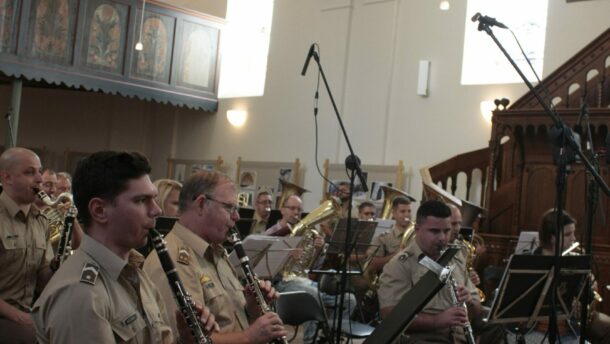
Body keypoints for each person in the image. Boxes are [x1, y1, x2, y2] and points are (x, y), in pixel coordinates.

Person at [32, 151, 217, 343]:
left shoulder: (135, 273)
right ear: (99, 210)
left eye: (153, 198)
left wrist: (185, 341)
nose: (156, 210)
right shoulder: (81, 295)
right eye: (140, 201)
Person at [144, 170, 287, 344]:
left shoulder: (217, 253)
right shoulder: (170, 260)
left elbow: (231, 324)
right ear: (202, 204)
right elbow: (188, 339)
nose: (236, 216)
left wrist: (252, 310)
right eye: (229, 208)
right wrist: (249, 337)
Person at [378, 200, 482, 343]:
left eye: (446, 231)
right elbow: (390, 316)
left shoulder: (455, 259)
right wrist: (436, 321)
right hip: (421, 338)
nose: (442, 238)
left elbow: (477, 309)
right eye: (434, 231)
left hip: (458, 337)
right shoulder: (399, 265)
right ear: (417, 229)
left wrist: (469, 301)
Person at [269, 195, 356, 344]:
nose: (296, 212)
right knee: (311, 293)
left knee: (349, 300)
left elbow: (314, 267)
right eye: (292, 208)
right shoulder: (271, 233)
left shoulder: (308, 233)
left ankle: (326, 335)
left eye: (299, 209)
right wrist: (285, 255)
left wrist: (320, 250)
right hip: (281, 285)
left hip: (305, 283)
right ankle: (311, 340)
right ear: (282, 210)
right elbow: (266, 269)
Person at [521, 209, 610, 344]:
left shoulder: (574, 262)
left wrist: (589, 286)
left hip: (569, 332)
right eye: (568, 234)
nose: (574, 238)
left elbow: (587, 300)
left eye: (574, 233)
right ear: (552, 237)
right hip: (534, 332)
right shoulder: (527, 262)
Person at [0, 147, 56, 343]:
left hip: (28, 314)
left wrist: (57, 267)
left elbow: (42, 279)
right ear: (7, 177)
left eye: (39, 171)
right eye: (30, 172)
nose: (40, 179)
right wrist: (18, 316)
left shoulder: (41, 220)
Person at [366, 196, 412, 274]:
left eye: (409, 211)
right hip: (392, 280)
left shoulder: (417, 235)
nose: (407, 215)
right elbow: (371, 264)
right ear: (393, 214)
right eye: (403, 211)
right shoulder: (383, 238)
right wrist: (396, 255)